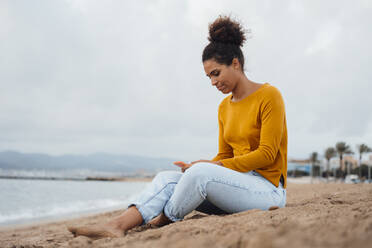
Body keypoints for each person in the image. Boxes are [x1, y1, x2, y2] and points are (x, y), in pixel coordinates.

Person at [67, 15, 287, 239]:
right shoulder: (224, 107)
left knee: (200, 173)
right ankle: (117, 225)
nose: (212, 82)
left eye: (216, 73)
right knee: (166, 178)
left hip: (267, 190)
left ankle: (167, 218)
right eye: (208, 77)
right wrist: (199, 166)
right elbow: (225, 154)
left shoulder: (269, 95)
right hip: (236, 186)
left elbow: (267, 155)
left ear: (235, 63)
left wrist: (210, 167)